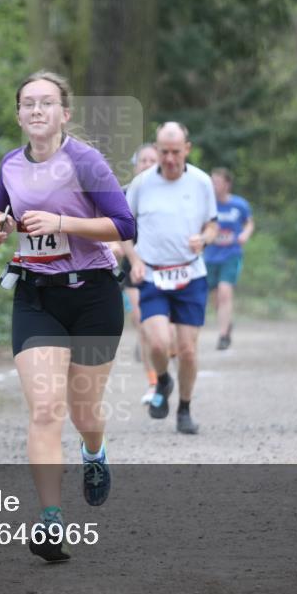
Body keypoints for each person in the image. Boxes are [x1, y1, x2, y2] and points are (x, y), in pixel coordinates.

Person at [0, 70, 135, 561]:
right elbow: (4, 211)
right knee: (46, 409)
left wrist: (63, 223)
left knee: (83, 412)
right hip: (36, 298)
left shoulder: (85, 161)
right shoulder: (10, 165)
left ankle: (94, 453)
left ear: (64, 114)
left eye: (46, 103)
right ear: (18, 115)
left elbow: (123, 224)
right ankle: (51, 520)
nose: (36, 110)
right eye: (27, 103)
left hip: (93, 297)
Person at [122, 122, 218, 434]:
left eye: (176, 152)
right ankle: (163, 381)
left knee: (188, 350)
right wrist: (134, 259)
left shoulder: (202, 182)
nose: (170, 158)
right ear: (157, 149)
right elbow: (123, 228)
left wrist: (203, 239)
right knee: (159, 343)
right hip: (151, 275)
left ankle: (185, 409)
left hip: (190, 274)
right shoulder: (142, 184)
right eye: (164, 152)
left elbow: (213, 226)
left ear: (187, 149)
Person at [109, 143, 164, 405]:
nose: (147, 165)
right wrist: (115, 247)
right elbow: (113, 232)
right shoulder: (122, 195)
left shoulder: (173, 194)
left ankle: (162, 356)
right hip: (135, 266)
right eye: (143, 160)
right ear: (135, 165)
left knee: (167, 334)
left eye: (153, 160)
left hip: (169, 267)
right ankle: (154, 383)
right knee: (142, 322)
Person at [204, 168, 254, 350]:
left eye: (217, 182)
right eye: (212, 182)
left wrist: (245, 234)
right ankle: (227, 323)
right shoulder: (207, 205)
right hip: (210, 256)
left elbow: (249, 222)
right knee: (216, 299)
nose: (213, 186)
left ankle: (223, 335)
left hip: (231, 255)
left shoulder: (239, 204)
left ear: (227, 184)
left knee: (225, 292)